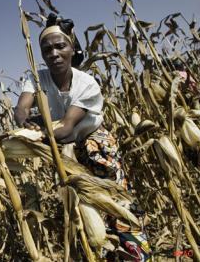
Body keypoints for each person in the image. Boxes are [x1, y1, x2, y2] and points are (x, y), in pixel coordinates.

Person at [14, 14, 152, 261]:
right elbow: (22, 108)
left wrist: (36, 138)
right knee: (83, 208)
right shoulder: (37, 78)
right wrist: (23, 122)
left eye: (60, 46)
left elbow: (67, 127)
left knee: (115, 197)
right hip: (63, 148)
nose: (54, 53)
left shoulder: (87, 84)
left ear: (71, 48)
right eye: (47, 49)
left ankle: (137, 252)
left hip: (93, 144)